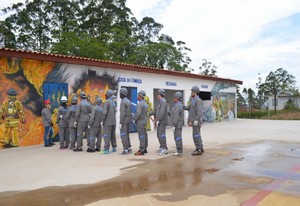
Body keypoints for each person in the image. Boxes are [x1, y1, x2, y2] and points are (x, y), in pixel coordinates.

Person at [184, 86, 204, 155]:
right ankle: (200, 147)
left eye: (192, 91)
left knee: (196, 135)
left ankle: (198, 149)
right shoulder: (193, 100)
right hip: (194, 121)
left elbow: (200, 112)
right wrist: (183, 106)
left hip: (196, 121)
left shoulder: (198, 100)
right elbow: (189, 108)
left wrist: (196, 120)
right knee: (197, 135)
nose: (191, 93)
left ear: (195, 92)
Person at [150, 89, 169, 155]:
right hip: (160, 121)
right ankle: (162, 147)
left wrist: (158, 120)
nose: (157, 96)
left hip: (162, 121)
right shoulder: (160, 102)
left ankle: (164, 148)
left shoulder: (163, 102)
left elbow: (162, 112)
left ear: (160, 95)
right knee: (159, 134)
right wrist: (149, 113)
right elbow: (156, 111)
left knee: (161, 135)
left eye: (157, 94)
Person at [133, 90, 148, 156]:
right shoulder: (145, 103)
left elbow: (138, 113)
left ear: (140, 96)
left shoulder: (140, 104)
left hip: (140, 122)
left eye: (138, 95)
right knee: (144, 135)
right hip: (144, 121)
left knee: (141, 135)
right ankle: (144, 148)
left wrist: (134, 118)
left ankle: (141, 150)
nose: (137, 97)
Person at [102, 89, 117, 154]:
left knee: (106, 135)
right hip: (113, 121)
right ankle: (114, 147)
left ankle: (106, 149)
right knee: (113, 135)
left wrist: (102, 120)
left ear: (107, 95)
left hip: (108, 122)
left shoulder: (107, 102)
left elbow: (104, 112)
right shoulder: (113, 102)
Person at [119, 88, 132, 155]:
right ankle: (129, 148)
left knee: (123, 135)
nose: (119, 94)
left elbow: (122, 113)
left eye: (120, 93)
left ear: (122, 94)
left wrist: (120, 122)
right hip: (128, 120)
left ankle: (125, 149)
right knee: (127, 134)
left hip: (124, 121)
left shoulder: (123, 102)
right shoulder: (128, 101)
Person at [171, 92, 184, 156]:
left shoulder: (177, 105)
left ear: (177, 98)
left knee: (177, 137)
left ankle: (179, 150)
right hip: (179, 124)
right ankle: (179, 149)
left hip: (177, 125)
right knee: (177, 137)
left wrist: (174, 125)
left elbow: (176, 116)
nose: (173, 99)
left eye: (174, 98)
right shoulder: (179, 105)